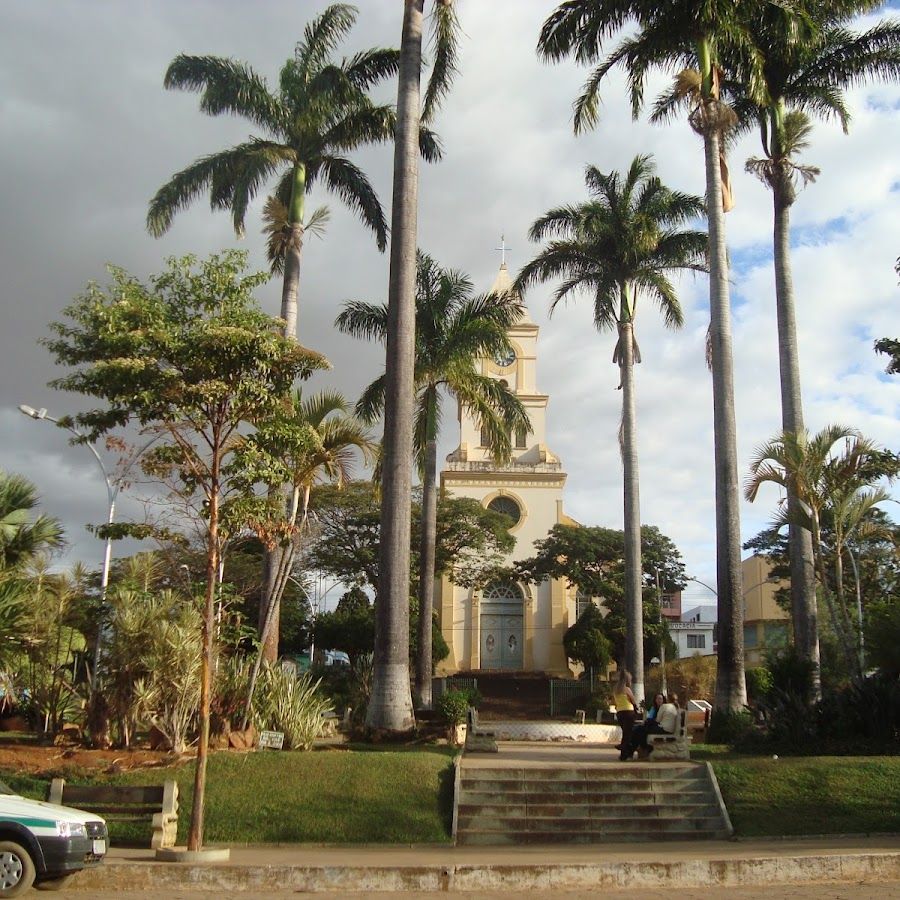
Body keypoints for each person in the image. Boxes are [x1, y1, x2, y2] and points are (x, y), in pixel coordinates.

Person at [622, 693, 679, 760]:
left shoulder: (664, 706)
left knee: (640, 731)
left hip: (663, 728)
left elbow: (658, 720)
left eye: (661, 698)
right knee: (640, 730)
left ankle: (630, 751)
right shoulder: (675, 707)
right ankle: (631, 750)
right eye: (657, 698)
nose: (659, 700)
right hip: (666, 728)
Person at [613, 670, 637, 761]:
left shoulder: (616, 689)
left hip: (620, 712)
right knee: (628, 733)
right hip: (629, 712)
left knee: (625, 733)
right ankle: (624, 750)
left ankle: (624, 754)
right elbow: (633, 700)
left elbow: (615, 702)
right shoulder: (627, 689)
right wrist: (636, 709)